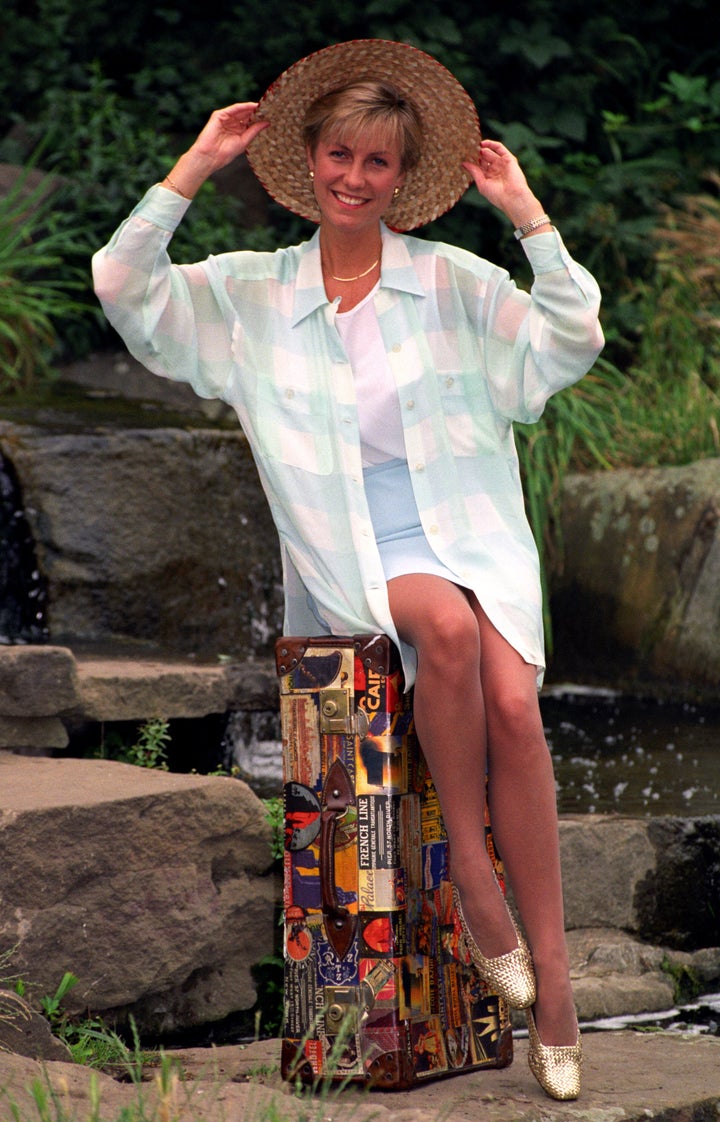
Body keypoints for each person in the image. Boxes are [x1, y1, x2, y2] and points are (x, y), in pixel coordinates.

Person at [92, 39, 603, 1101]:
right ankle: (472, 875)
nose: (354, 179)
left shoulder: (452, 283)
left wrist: (529, 216)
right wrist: (193, 167)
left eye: (377, 163)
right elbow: (123, 286)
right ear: (308, 159)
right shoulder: (249, 299)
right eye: (338, 155)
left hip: (469, 533)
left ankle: (554, 985)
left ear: (401, 176)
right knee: (450, 637)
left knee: (516, 707)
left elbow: (568, 339)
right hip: (351, 549)